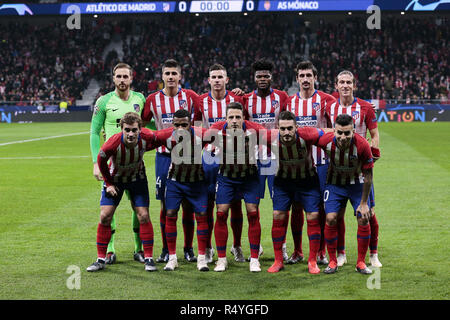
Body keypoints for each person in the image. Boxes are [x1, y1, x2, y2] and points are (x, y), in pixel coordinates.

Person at [86, 112, 160, 272]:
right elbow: (101, 160)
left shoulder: (147, 137)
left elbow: (162, 137)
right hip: (116, 180)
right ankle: (100, 259)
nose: (131, 134)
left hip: (137, 180)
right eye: (127, 130)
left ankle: (148, 258)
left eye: (134, 130)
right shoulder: (112, 143)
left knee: (144, 215)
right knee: (105, 215)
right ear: (122, 129)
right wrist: (108, 183)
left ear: (140, 129)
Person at [89, 63, 147, 265]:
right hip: (110, 165)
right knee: (108, 209)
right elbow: (95, 132)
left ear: (132, 78)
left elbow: (149, 127)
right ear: (113, 78)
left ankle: (139, 249)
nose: (122, 80)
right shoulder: (104, 101)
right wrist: (96, 163)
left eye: (125, 76)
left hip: (134, 163)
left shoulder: (140, 99)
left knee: (138, 207)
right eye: (118, 76)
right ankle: (110, 250)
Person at [142, 59, 198, 264]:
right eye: (167, 74)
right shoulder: (152, 99)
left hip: (187, 158)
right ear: (162, 76)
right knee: (166, 206)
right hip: (164, 157)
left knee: (188, 204)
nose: (171, 77)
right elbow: (142, 124)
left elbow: (200, 121)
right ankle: (166, 249)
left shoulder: (191, 97)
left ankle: (189, 248)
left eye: (174, 73)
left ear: (180, 76)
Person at [193, 63, 249, 263]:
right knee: (208, 204)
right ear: (209, 80)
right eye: (213, 77)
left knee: (235, 204)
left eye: (220, 77)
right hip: (209, 158)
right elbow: (198, 131)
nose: (217, 80)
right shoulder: (200, 102)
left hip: (234, 158)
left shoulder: (237, 99)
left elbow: (246, 125)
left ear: (227, 80)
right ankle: (208, 247)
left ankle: (236, 246)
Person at [265, 111, 332, 274]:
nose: (286, 132)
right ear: (277, 128)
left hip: (307, 181)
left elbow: (330, 134)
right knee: (278, 216)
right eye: (283, 129)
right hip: (283, 182)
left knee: (313, 217)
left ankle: (312, 261)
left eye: (290, 128)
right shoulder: (269, 137)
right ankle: (278, 260)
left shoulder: (307, 134)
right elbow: (245, 133)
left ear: (297, 127)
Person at [327, 70, 382, 268]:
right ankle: (340, 253)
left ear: (354, 85)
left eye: (348, 82)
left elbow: (374, 135)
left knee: (368, 213)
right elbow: (326, 132)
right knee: (337, 214)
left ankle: (373, 253)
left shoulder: (366, 107)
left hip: (360, 170)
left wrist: (370, 157)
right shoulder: (329, 107)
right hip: (337, 170)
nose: (345, 85)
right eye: (341, 82)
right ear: (336, 85)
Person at [287, 61, 337, 265]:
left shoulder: (327, 100)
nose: (305, 79)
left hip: (323, 162)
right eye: (302, 76)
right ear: (297, 79)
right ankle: (298, 251)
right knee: (297, 207)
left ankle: (321, 252)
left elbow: (337, 129)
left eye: (309, 75)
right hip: (299, 164)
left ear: (315, 77)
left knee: (323, 208)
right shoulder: (289, 102)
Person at [206, 102, 265, 272]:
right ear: (225, 118)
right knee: (221, 213)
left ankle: (254, 259)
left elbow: (273, 140)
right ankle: (222, 259)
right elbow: (197, 141)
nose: (234, 120)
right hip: (226, 177)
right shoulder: (216, 130)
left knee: (253, 214)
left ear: (243, 118)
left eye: (237, 117)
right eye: (230, 117)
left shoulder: (256, 130)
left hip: (249, 178)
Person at [243, 59, 290, 261]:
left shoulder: (282, 97)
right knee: (253, 207)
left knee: (279, 206)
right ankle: (257, 245)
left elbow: (289, 123)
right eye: (259, 76)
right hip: (254, 159)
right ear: (254, 78)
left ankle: (283, 246)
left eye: (266, 76)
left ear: (272, 77)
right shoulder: (246, 99)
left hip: (275, 159)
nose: (262, 79)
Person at [153, 109, 211, 272]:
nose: (180, 129)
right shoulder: (166, 135)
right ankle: (172, 258)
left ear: (190, 124)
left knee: (201, 216)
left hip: (196, 182)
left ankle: (201, 258)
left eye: (184, 125)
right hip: (175, 182)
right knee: (170, 214)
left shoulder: (202, 134)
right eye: (176, 125)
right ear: (172, 125)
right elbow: (147, 139)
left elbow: (221, 138)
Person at [317, 113, 374, 275]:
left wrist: (364, 203)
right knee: (330, 218)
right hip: (334, 184)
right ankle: (333, 261)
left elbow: (369, 176)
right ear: (334, 131)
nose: (342, 137)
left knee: (363, 217)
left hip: (357, 185)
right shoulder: (326, 140)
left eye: (347, 133)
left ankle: (361, 263)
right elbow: (309, 136)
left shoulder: (362, 145)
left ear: (354, 132)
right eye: (339, 132)